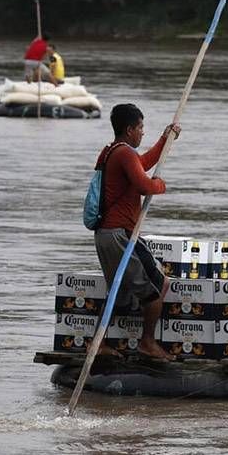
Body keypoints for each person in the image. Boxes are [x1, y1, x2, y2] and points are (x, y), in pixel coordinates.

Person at [93, 103, 181, 361]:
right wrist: (161, 185)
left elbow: (143, 162)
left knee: (117, 292)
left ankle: (98, 343)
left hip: (108, 234)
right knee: (156, 287)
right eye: (141, 127)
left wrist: (166, 138)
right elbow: (144, 185)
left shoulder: (112, 151)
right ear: (129, 129)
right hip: (119, 234)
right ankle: (147, 342)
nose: (142, 132)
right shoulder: (123, 154)